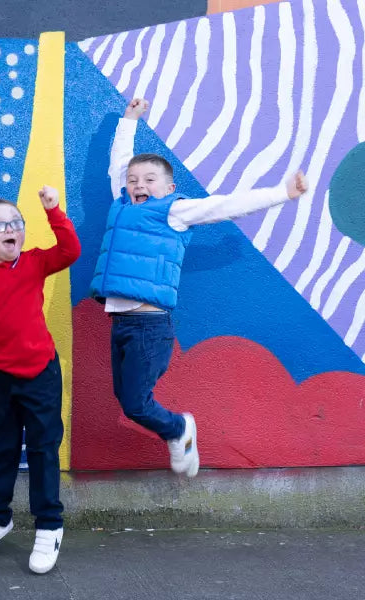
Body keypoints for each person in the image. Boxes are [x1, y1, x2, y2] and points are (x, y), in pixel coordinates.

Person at [91, 97, 309, 477]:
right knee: (127, 400)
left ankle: (180, 429)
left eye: (149, 180)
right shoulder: (121, 204)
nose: (138, 185)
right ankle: (178, 432)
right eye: (133, 180)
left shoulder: (175, 211)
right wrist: (128, 120)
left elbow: (224, 206)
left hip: (149, 326)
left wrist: (281, 193)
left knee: (136, 404)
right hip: (121, 323)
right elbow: (118, 163)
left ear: (169, 186)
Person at [0, 186, 81, 574]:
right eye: (1, 225)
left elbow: (70, 250)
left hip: (40, 371)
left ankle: (49, 525)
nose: (12, 229)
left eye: (17, 223)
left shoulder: (33, 263)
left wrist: (53, 211)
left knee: (43, 448)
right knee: (2, 447)